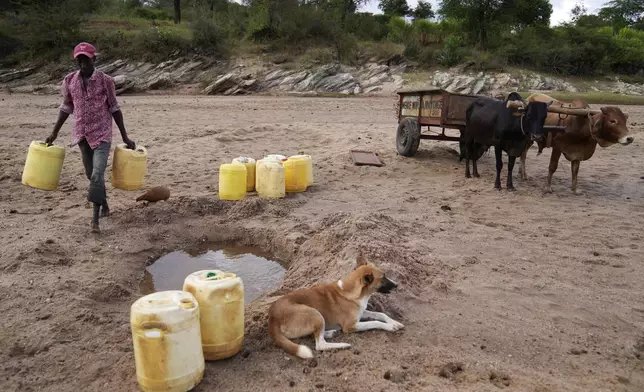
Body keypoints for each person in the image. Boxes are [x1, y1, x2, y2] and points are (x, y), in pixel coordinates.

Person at [45, 42, 136, 233]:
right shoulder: (69, 80)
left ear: (94, 59)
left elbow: (114, 108)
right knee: (90, 175)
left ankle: (95, 221)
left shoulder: (106, 81)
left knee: (96, 174)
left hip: (102, 134)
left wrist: (125, 137)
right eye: (79, 59)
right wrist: (53, 133)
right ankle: (105, 205)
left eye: (86, 59)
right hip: (82, 135)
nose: (82, 63)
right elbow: (66, 107)